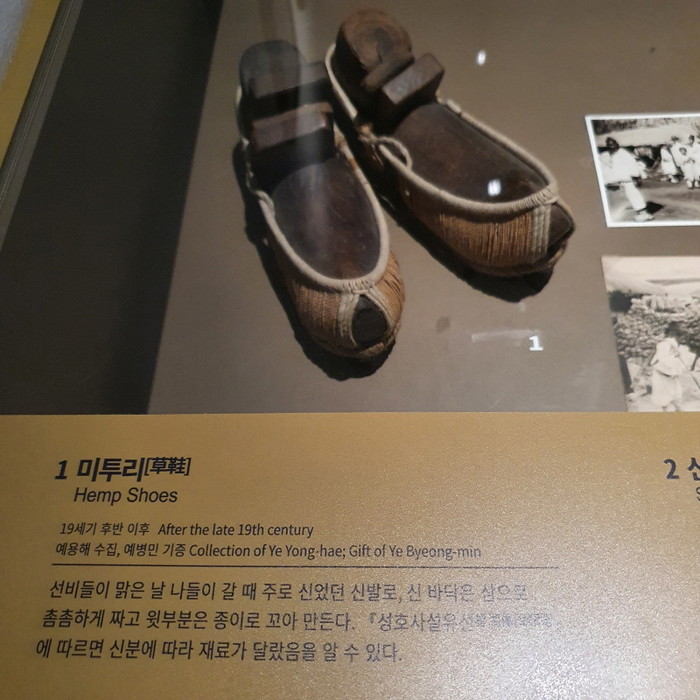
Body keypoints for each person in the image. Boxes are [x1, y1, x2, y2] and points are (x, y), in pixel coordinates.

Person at [600, 137, 653, 221]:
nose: (611, 146)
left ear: (616, 144)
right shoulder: (615, 154)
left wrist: (636, 177)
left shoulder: (623, 153)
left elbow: (632, 165)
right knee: (631, 195)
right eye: (609, 145)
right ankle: (643, 213)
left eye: (613, 144)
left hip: (630, 179)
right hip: (625, 179)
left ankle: (644, 214)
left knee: (634, 195)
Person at [649, 323, 687, 411]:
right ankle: (665, 412)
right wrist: (674, 359)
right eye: (681, 337)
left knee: (677, 395)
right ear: (676, 336)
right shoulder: (664, 344)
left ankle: (679, 410)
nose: (683, 339)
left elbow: (678, 361)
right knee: (663, 397)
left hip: (671, 376)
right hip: (661, 374)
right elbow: (663, 360)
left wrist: (678, 369)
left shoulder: (676, 345)